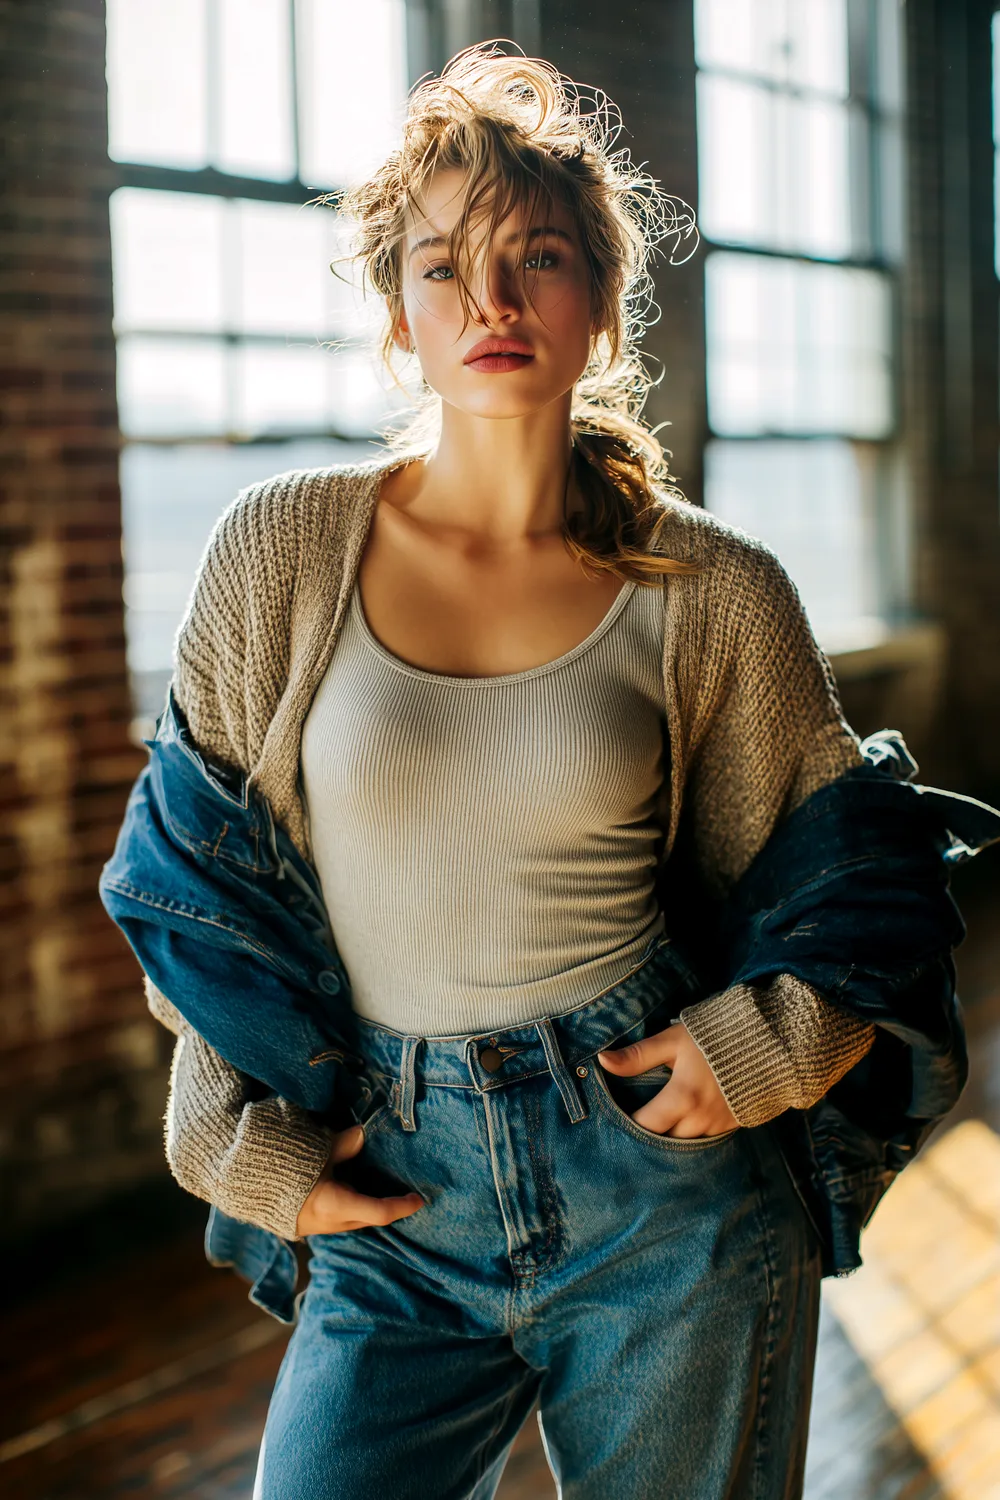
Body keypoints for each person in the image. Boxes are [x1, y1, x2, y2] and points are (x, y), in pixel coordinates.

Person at [133, 41, 895, 1500]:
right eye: (442, 269)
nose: (488, 303)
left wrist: (765, 1048)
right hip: (394, 1185)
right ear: (399, 320)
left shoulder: (714, 590)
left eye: (535, 258)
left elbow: (859, 886)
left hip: (659, 1189)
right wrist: (233, 1141)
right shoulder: (278, 553)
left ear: (600, 303)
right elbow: (187, 883)